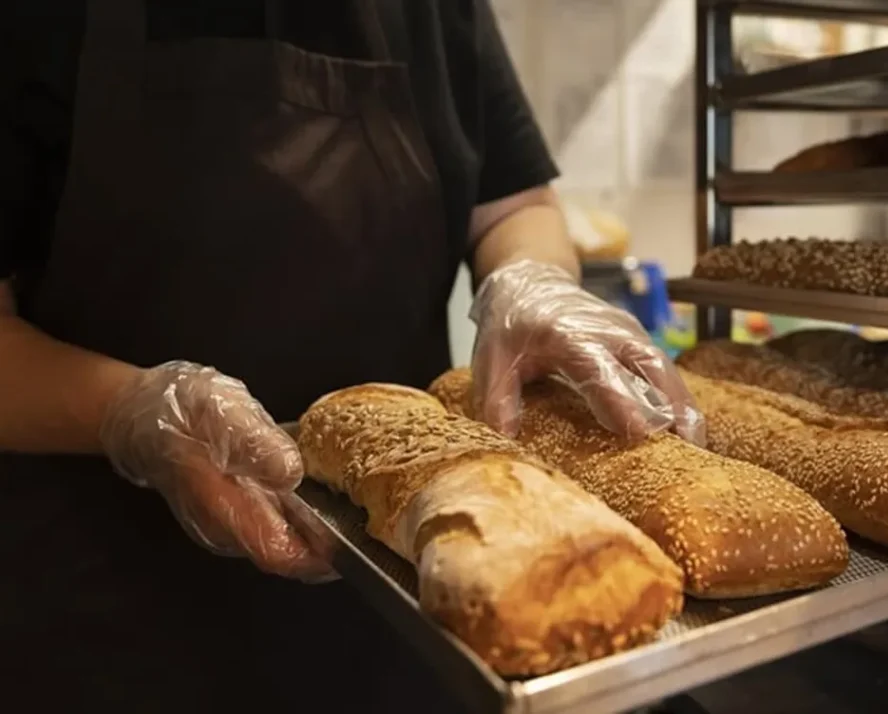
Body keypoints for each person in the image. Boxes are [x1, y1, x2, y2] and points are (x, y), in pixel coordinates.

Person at [0, 1, 704, 711]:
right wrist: (127, 410)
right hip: (108, 613)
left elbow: (516, 204)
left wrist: (531, 278)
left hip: (407, 590)